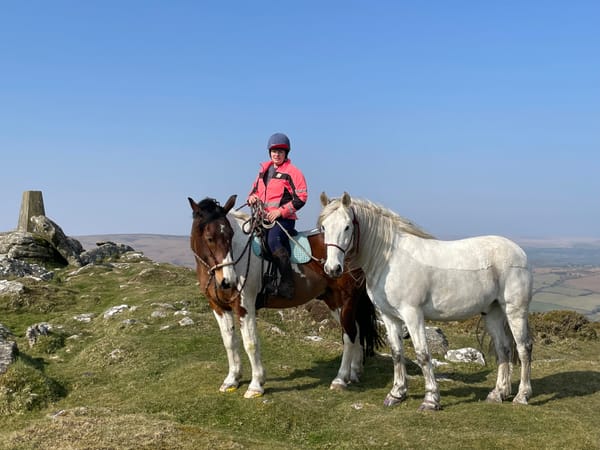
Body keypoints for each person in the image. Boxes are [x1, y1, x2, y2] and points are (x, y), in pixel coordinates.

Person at [247, 132, 308, 299]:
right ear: (269, 153)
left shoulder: (293, 172)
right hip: (262, 218)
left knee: (273, 241)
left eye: (280, 151)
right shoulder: (263, 171)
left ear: (286, 153)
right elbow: (254, 192)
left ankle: (287, 284)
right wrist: (251, 198)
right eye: (274, 151)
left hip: (283, 220)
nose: (277, 154)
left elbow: (301, 197)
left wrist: (280, 211)